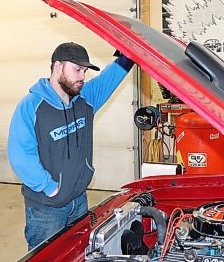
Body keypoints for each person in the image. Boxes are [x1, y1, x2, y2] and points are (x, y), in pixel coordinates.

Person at [8, 42, 134, 250]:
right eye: (77, 70)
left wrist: (130, 55)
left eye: (84, 71)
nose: (82, 77)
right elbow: (20, 154)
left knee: (77, 258)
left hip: (79, 200)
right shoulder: (31, 106)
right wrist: (49, 187)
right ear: (58, 66)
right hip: (47, 209)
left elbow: (110, 78)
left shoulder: (85, 99)